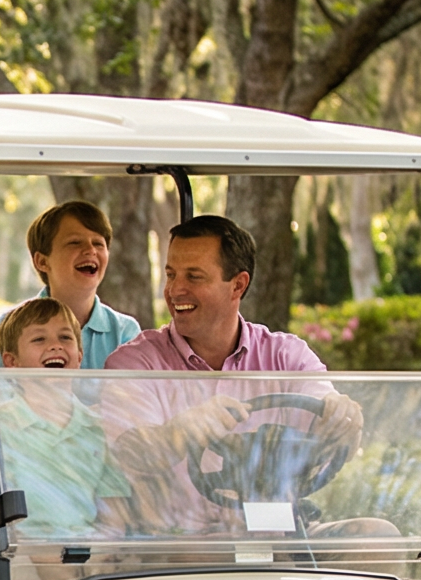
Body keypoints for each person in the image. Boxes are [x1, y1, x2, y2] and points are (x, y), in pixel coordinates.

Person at [99, 215, 369, 536]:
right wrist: (179, 433)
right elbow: (126, 456)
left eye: (194, 276)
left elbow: (331, 428)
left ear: (238, 285)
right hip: (177, 547)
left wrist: (344, 423)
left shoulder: (287, 356)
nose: (174, 290)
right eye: (171, 275)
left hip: (278, 533)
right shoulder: (136, 362)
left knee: (375, 537)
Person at [0, 297, 127, 538]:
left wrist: (97, 557)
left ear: (80, 356)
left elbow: (114, 517)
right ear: (12, 363)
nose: (55, 346)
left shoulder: (99, 428)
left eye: (65, 337)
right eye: (39, 339)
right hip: (25, 556)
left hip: (87, 556)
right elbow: (1, 521)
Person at [25, 200, 141, 367]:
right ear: (42, 261)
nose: (90, 250)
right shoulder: (9, 329)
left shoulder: (125, 332)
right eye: (75, 242)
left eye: (98, 243)